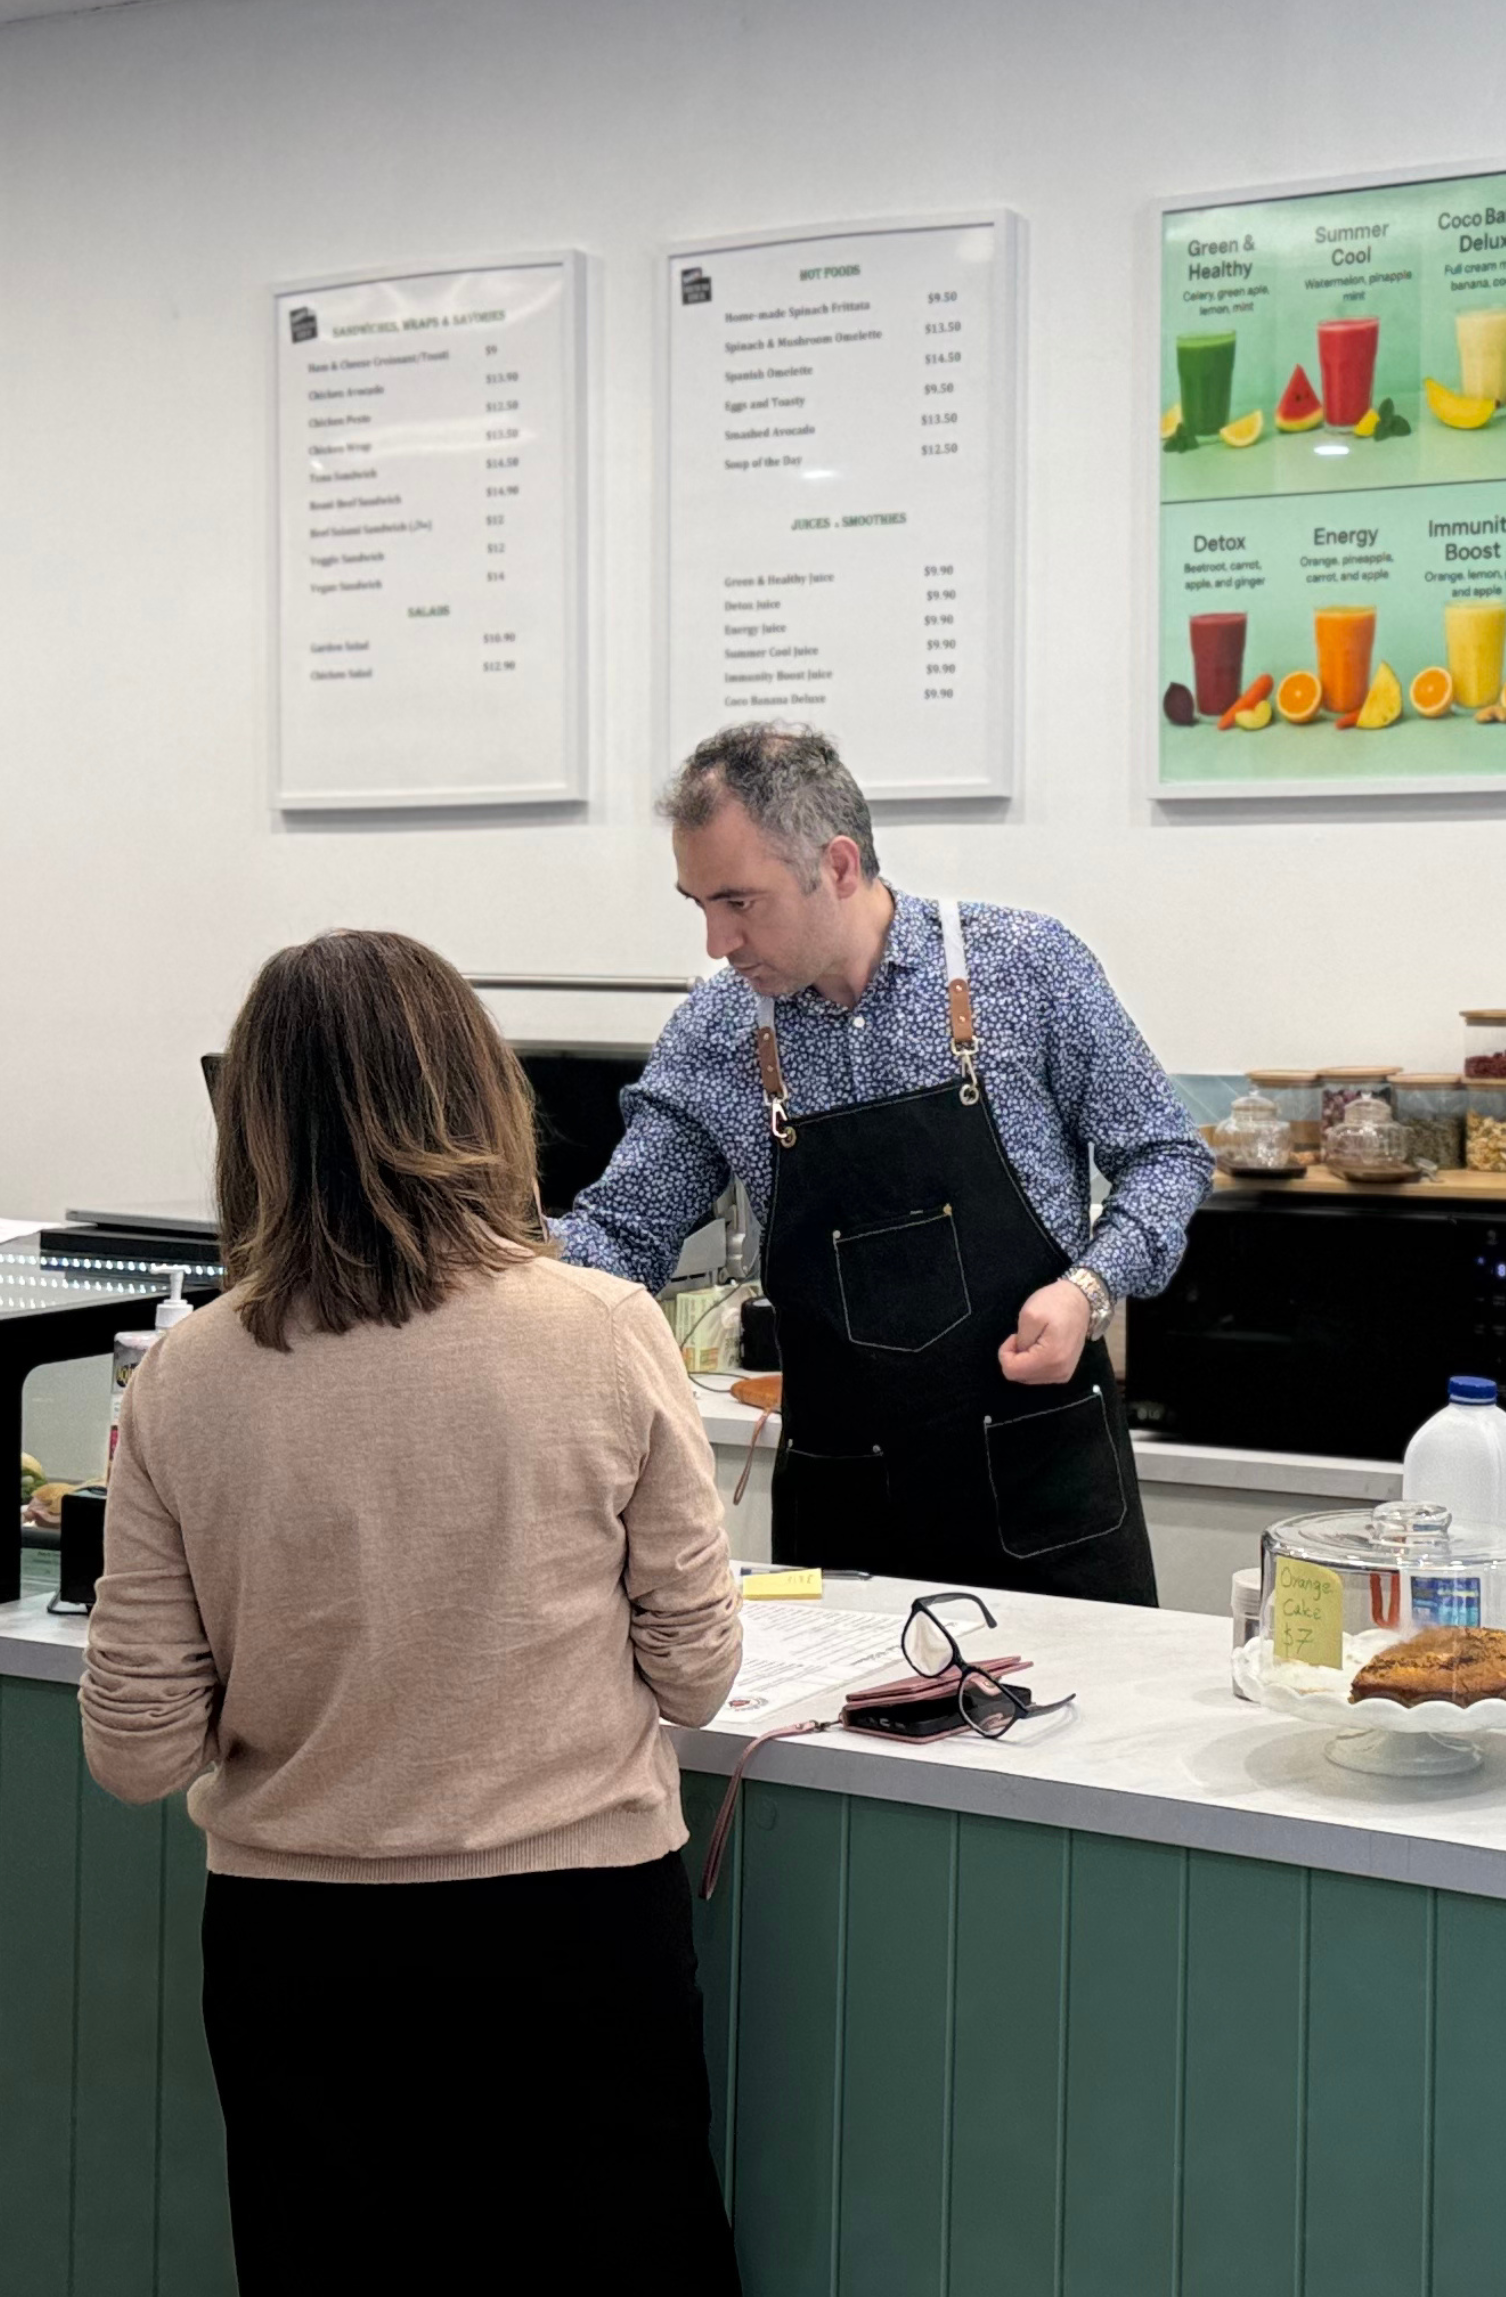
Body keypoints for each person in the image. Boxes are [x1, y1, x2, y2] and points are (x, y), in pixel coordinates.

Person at [81, 928, 743, 2295]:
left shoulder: (183, 1377)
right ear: (478, 1098)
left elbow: (134, 1753)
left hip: (299, 1956)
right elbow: (697, 1676)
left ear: (253, 1125)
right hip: (576, 1935)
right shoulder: (606, 1327)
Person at [556, 723, 1210, 1607]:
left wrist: (1088, 1291)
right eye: (698, 904)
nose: (717, 942)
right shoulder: (716, 1037)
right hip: (846, 1519)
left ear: (837, 865)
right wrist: (469, 1256)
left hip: (1049, 1503)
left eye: (740, 902)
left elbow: (1166, 1155)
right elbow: (619, 1234)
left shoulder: (1026, 968)